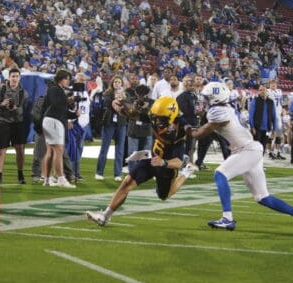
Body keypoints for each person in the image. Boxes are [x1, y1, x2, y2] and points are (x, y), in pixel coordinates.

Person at [185, 82, 293, 237]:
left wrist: (181, 124)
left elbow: (198, 134)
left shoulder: (218, 112)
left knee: (220, 174)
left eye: (207, 97)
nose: (204, 100)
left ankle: (227, 218)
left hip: (247, 150)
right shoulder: (225, 108)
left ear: (215, 98)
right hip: (250, 149)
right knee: (262, 197)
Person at [86, 97, 197, 226]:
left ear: (171, 116)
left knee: (164, 196)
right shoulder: (156, 115)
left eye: (160, 118)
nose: (156, 120)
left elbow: (178, 161)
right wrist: (120, 106)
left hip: (167, 165)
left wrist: (164, 163)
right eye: (155, 116)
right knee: (127, 183)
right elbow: (134, 114)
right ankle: (104, 216)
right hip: (151, 158)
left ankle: (187, 172)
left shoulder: (180, 129)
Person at [0, 68, 29, 185]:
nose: (14, 78)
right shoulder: (1, 89)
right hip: (2, 121)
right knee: (2, 150)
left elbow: (25, 109)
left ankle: (20, 175)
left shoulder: (23, 92)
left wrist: (16, 109)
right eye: (13, 76)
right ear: (9, 77)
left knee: (20, 150)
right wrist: (2, 104)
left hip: (17, 122)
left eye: (17, 76)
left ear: (20, 78)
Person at [42, 69, 77, 188]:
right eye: (67, 79)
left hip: (51, 120)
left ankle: (47, 179)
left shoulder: (55, 89)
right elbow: (56, 105)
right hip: (54, 121)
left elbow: (62, 110)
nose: (68, 81)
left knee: (51, 151)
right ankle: (61, 179)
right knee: (58, 150)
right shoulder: (55, 89)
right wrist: (68, 101)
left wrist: (73, 114)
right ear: (61, 79)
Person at [95, 75, 127, 181]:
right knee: (105, 147)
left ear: (122, 83)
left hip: (121, 123)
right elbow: (107, 103)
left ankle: (117, 174)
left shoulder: (125, 94)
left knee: (120, 149)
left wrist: (123, 100)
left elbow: (127, 107)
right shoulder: (108, 93)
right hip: (109, 122)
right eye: (115, 82)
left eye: (119, 82)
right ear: (112, 83)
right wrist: (116, 100)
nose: (117, 84)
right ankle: (99, 172)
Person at [249, 85, 276, 155]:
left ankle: (260, 163)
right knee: (256, 148)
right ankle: (254, 164)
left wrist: (274, 129)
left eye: (263, 90)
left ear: (266, 91)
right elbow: (251, 115)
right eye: (260, 90)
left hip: (267, 128)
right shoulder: (255, 101)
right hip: (257, 128)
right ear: (258, 91)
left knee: (263, 147)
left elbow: (274, 116)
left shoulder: (271, 102)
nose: (262, 91)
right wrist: (252, 127)